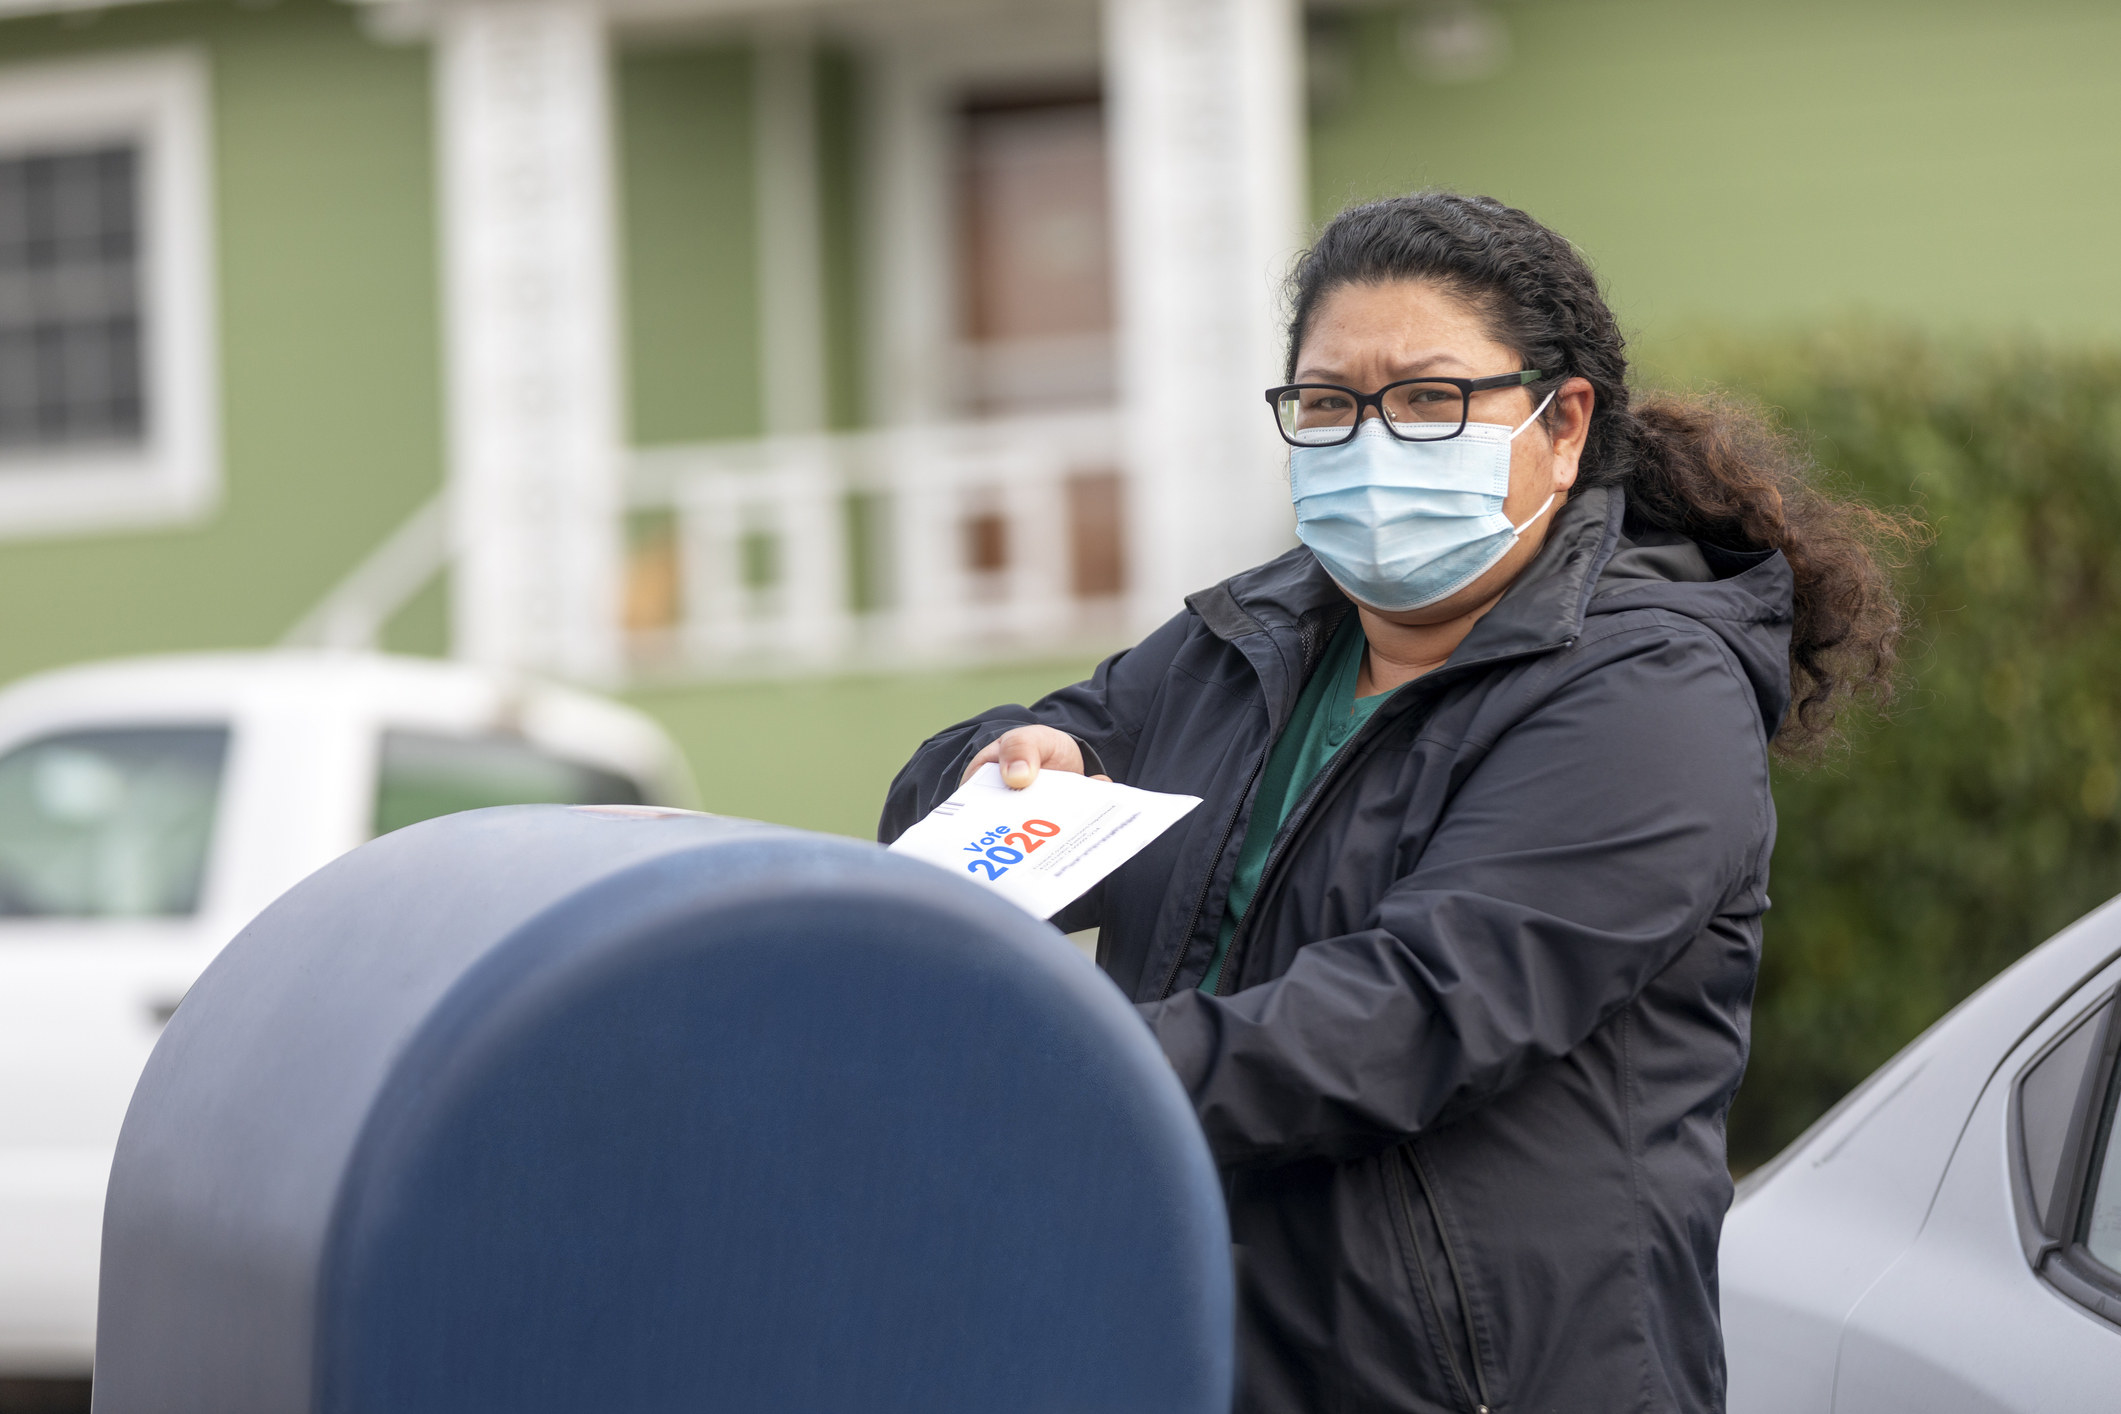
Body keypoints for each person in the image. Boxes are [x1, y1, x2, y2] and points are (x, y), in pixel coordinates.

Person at [879, 192, 1912, 1414]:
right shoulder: (1250, 634)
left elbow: (1417, 1010)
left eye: (1428, 398)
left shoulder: (1651, 691)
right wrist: (1004, 759)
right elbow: (957, 821)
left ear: (1562, 422)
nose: (1372, 441)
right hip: (1185, 1347)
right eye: (1329, 403)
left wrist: (1050, 1074)